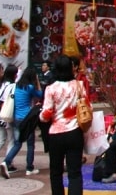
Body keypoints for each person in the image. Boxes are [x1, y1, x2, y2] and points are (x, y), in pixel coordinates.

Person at [40, 54, 84, 195]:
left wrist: (40, 115)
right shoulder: (79, 85)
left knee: (56, 172)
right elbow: (85, 107)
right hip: (75, 132)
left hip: (56, 135)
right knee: (75, 173)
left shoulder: (51, 89)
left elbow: (46, 114)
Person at [0, 65, 43, 178]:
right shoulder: (29, 87)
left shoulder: (17, 86)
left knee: (18, 143)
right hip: (27, 119)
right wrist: (37, 82)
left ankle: (6, 161)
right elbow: (40, 95)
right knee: (30, 144)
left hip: (16, 119)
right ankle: (29, 168)